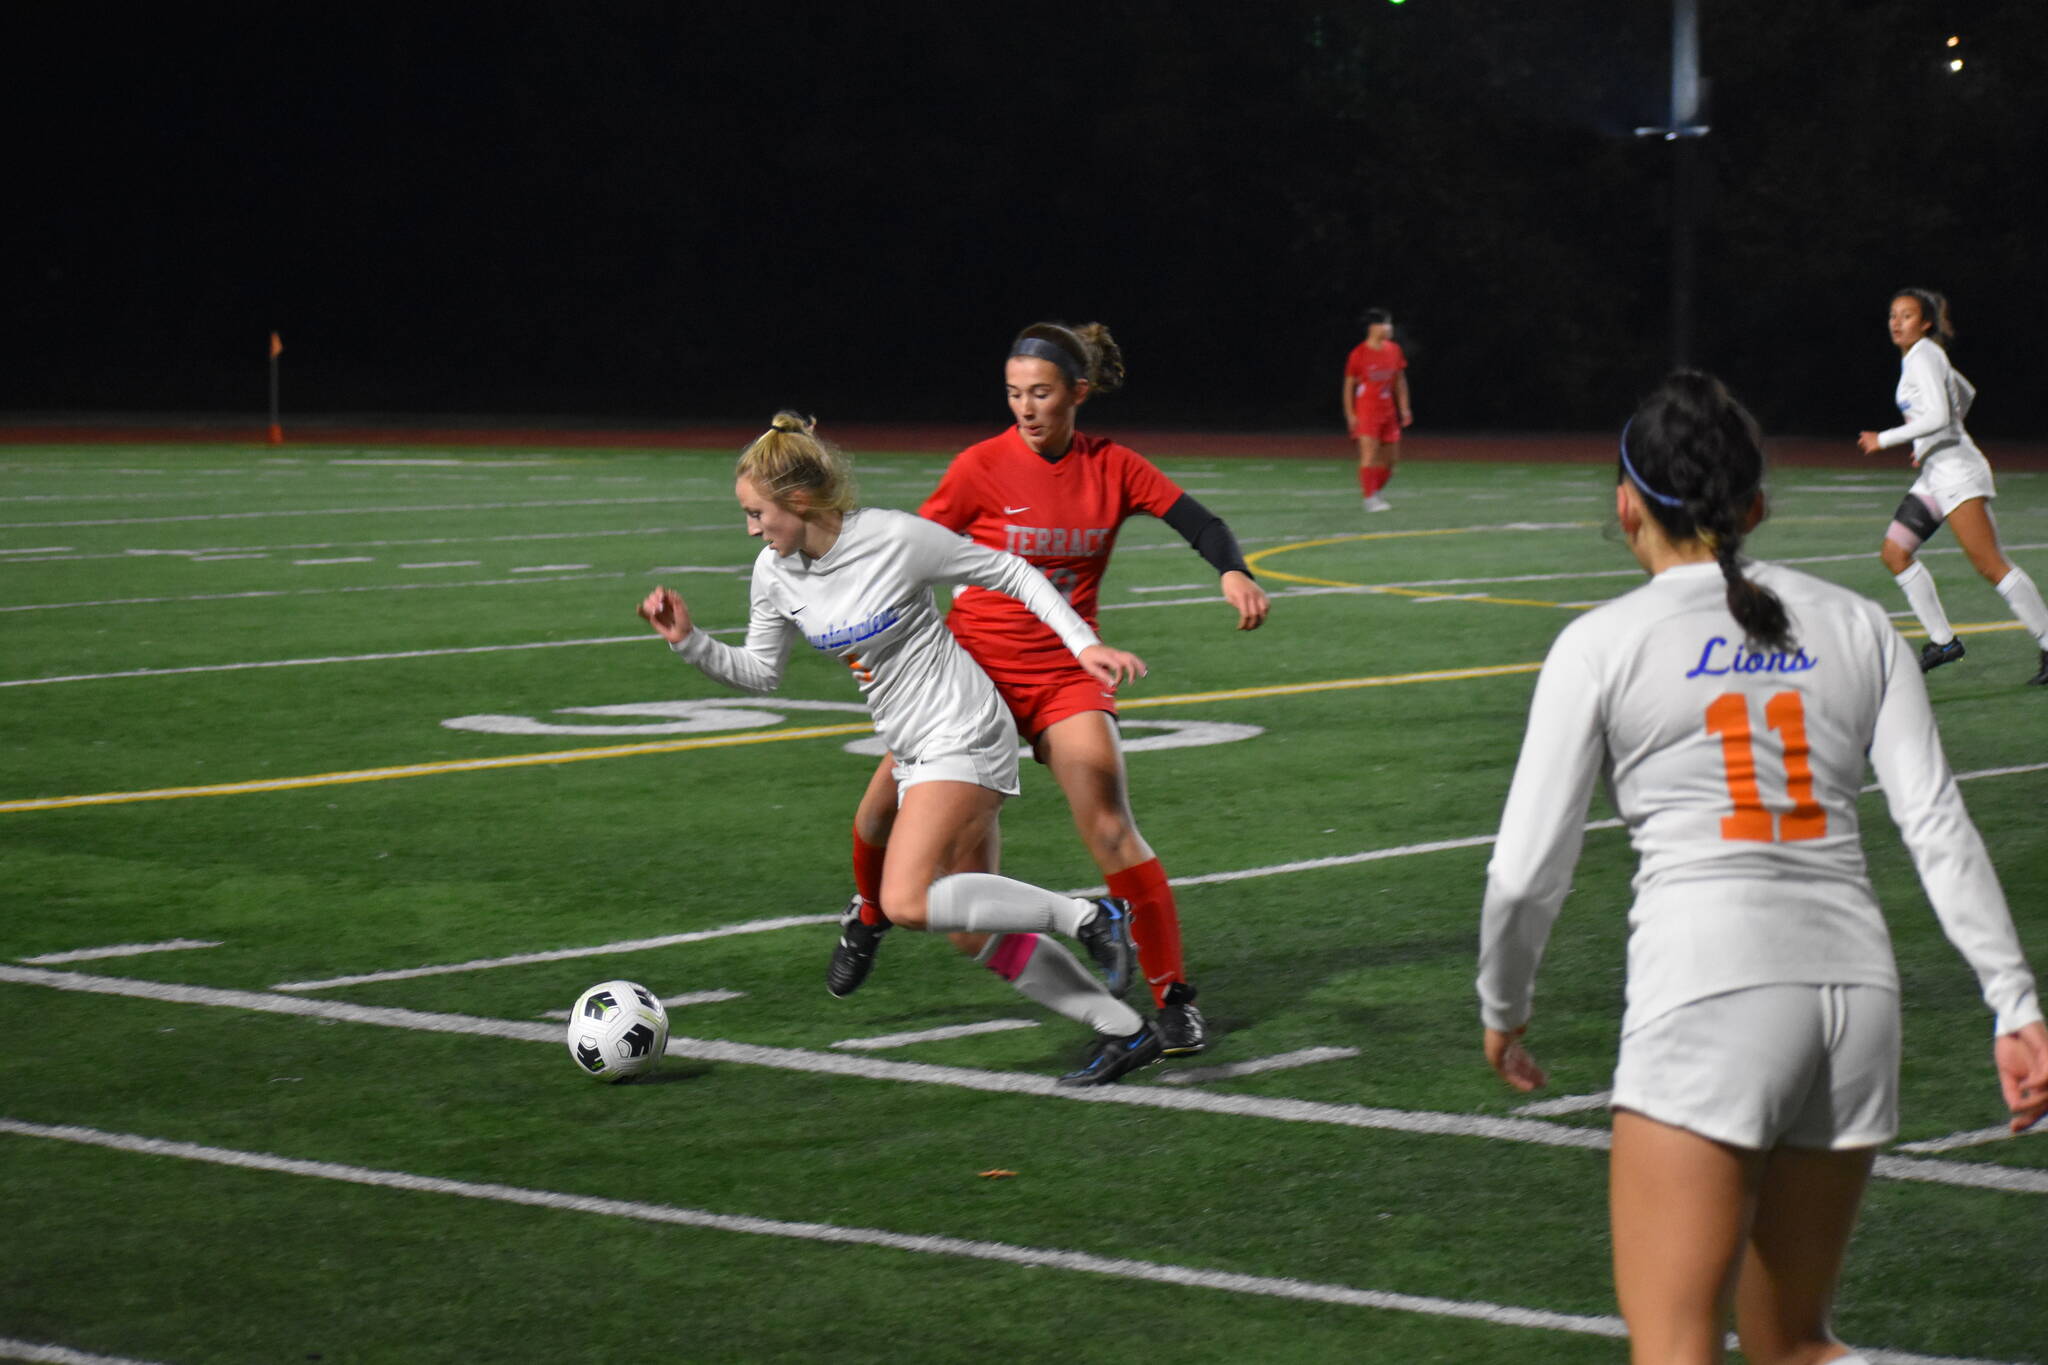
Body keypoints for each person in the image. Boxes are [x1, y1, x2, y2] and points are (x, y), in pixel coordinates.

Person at [1478, 371, 2048, 1364]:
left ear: (1624, 501)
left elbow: (1527, 871)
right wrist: (2013, 1001)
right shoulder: (1857, 624)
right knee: (1793, 1346)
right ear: (1753, 506)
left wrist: (1502, 1006)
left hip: (1708, 989)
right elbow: (1936, 825)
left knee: (1674, 1346)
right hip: (1857, 999)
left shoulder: (1597, 644)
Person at [639, 412, 1165, 1086]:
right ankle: (1125, 1030)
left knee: (910, 899)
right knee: (972, 930)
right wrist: (689, 642)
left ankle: (1092, 915)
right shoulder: (774, 573)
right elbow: (761, 672)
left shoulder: (893, 538)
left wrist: (1082, 643)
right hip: (912, 743)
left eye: (757, 512)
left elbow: (1011, 571)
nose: (752, 528)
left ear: (799, 500)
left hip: (963, 726)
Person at [829, 321, 1271, 1059]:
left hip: (1069, 672)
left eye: (1040, 393)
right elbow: (906, 553)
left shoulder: (1114, 466)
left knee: (1108, 820)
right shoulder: (980, 466)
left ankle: (1173, 999)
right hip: (969, 684)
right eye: (1013, 394)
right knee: (881, 818)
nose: (1025, 408)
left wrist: (1233, 569)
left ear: (1078, 393)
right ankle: (869, 912)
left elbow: (1199, 520)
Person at [1855, 287, 2048, 684]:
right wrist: (1927, 443)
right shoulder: (1921, 357)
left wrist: (1886, 439)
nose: (1896, 322)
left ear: (1925, 322)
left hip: (1957, 473)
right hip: (1936, 473)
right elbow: (1964, 394)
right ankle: (1944, 643)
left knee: (1991, 565)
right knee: (1895, 553)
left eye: (1906, 315)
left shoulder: (1924, 355)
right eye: (1893, 315)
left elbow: (1942, 413)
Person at [1341, 308, 1413, 513]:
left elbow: (1400, 381)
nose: (1390, 328)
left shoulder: (1394, 350)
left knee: (1391, 462)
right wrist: (1350, 414)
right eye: (1386, 323)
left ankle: (1375, 491)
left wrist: (1405, 407)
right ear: (1373, 327)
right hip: (1367, 411)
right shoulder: (1358, 354)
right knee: (1369, 455)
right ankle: (1369, 499)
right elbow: (1348, 386)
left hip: (1388, 411)